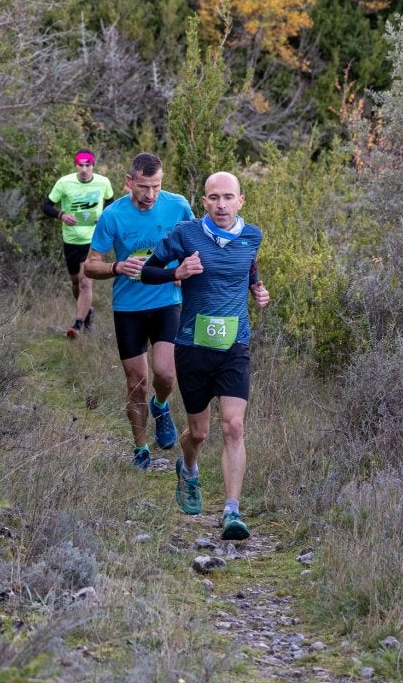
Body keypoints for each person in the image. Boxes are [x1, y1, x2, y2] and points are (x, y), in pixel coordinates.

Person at [138, 171, 269, 540]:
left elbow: (250, 270)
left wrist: (259, 290)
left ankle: (231, 511)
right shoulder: (186, 234)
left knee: (234, 426)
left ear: (241, 201)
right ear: (204, 202)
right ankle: (190, 469)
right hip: (193, 347)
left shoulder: (252, 235)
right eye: (214, 198)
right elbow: (148, 271)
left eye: (229, 197)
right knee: (199, 432)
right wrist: (177, 271)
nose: (222, 204)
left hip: (234, 347)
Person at [82, 152, 195, 471]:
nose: (150, 195)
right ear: (129, 182)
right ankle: (141, 447)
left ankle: (161, 406)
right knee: (136, 382)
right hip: (129, 307)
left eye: (156, 186)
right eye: (144, 187)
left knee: (165, 373)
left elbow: (196, 243)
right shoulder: (113, 216)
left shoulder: (178, 206)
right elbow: (90, 266)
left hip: (167, 301)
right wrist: (117, 266)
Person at [42, 150, 115, 338]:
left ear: (93, 165)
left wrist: (103, 217)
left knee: (85, 283)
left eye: (88, 165)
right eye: (80, 165)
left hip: (93, 241)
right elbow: (46, 206)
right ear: (75, 165)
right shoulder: (64, 183)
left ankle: (77, 325)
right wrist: (62, 215)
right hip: (71, 240)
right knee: (76, 283)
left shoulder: (103, 182)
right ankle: (87, 311)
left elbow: (111, 203)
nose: (84, 169)